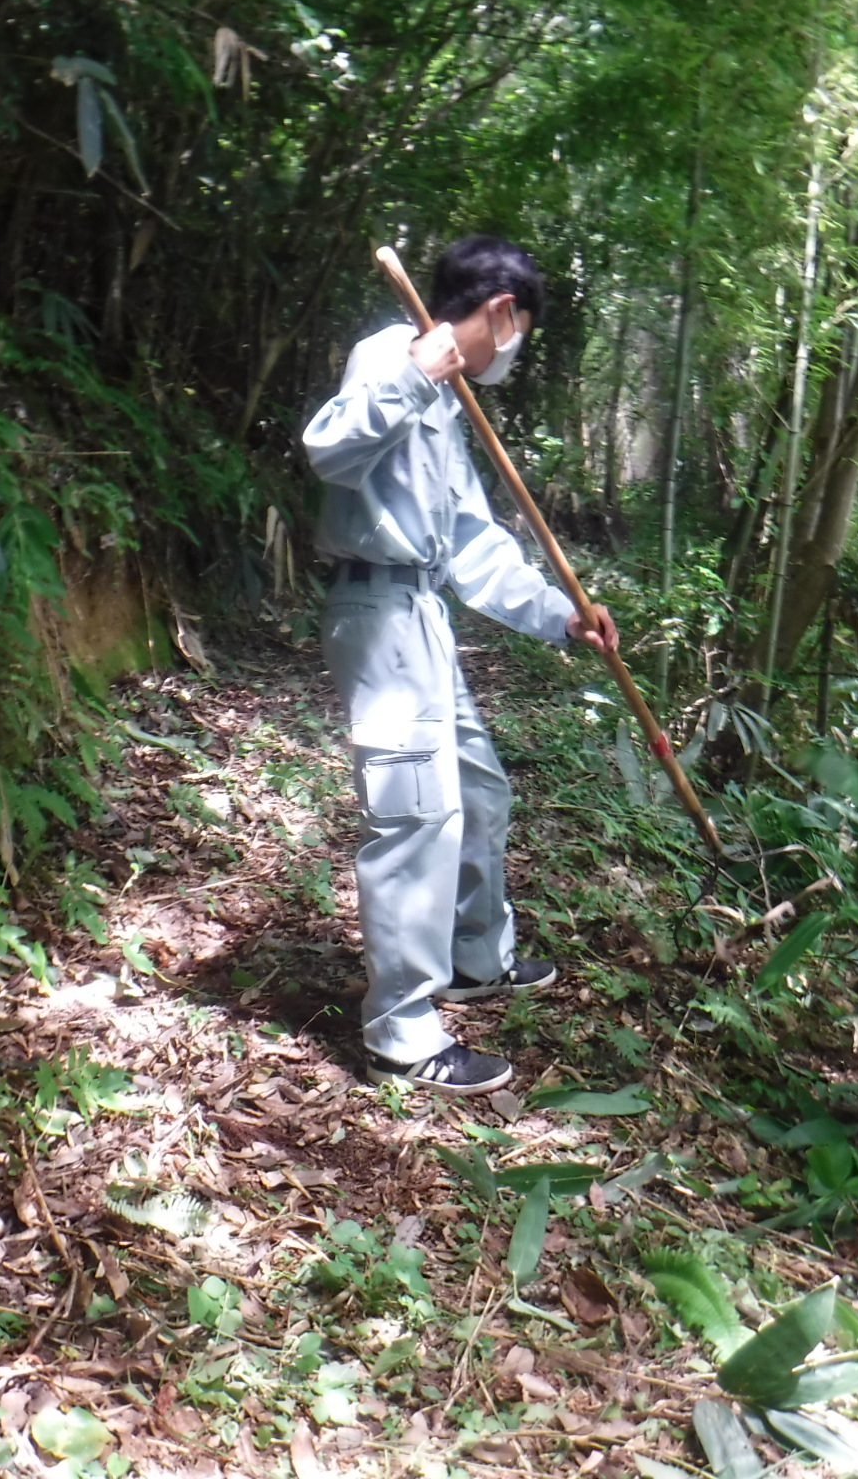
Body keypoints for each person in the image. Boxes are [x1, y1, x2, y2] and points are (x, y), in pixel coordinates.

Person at [301, 235, 619, 1096]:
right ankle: (402, 1033)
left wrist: (563, 616)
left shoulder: (448, 401)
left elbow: (474, 545)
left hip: (424, 611)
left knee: (477, 792)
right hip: (377, 609)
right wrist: (413, 372)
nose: (512, 352)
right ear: (502, 313)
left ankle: (478, 959)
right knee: (416, 812)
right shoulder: (393, 357)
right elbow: (327, 449)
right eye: (520, 333)